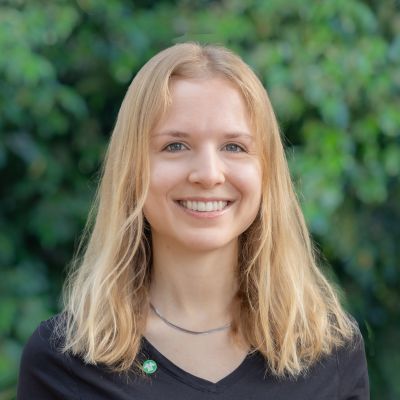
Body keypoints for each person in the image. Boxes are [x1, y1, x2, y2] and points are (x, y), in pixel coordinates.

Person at [17, 42, 369, 399]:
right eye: (175, 146)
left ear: (267, 171)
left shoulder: (330, 352)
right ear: (132, 169)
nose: (209, 174)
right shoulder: (64, 362)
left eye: (234, 147)